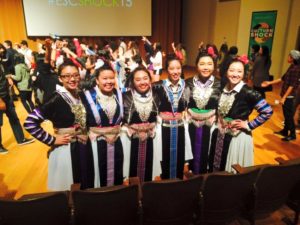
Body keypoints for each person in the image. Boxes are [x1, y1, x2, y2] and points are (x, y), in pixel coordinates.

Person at [24, 60, 94, 190]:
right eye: (67, 76)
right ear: (60, 79)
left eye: (75, 75)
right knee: (69, 184)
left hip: (82, 145)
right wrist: (52, 139)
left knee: (84, 181)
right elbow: (30, 122)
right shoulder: (56, 98)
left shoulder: (78, 95)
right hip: (66, 148)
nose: (72, 79)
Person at [210, 58, 273, 172]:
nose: (235, 74)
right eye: (232, 70)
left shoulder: (249, 92)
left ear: (244, 73)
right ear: (226, 71)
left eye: (239, 71)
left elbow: (267, 111)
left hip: (236, 138)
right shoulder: (223, 87)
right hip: (221, 134)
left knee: (231, 170)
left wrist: (249, 125)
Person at [82, 64, 124, 187]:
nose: (109, 81)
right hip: (96, 144)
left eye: (111, 78)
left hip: (116, 142)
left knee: (117, 173)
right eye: (105, 78)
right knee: (97, 176)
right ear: (97, 80)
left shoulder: (119, 94)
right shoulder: (86, 96)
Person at [153, 54, 193, 179]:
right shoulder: (158, 86)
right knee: (164, 157)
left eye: (178, 68)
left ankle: (178, 184)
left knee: (180, 157)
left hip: (181, 127)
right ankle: (165, 185)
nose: (175, 72)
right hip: (163, 128)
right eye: (172, 68)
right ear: (166, 69)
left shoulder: (187, 86)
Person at [122, 66, 162, 182]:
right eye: (138, 80)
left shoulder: (156, 96)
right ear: (132, 82)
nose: (142, 82)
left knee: (149, 174)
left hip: (151, 139)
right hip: (131, 141)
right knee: (132, 172)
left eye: (145, 78)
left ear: (150, 80)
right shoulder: (125, 97)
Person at [185, 50, 221, 174]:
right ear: (196, 65)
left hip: (211, 126)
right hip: (191, 124)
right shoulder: (188, 82)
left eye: (209, 64)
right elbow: (184, 102)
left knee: (208, 153)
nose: (206, 67)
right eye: (202, 64)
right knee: (192, 152)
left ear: (214, 66)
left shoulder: (220, 84)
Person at [0, 43, 34, 154]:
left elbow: (4, 75)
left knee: (14, 118)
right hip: (1, 97)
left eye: (2, 50)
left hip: (6, 95)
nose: (2, 52)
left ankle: (21, 139)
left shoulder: (1, 63)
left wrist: (8, 78)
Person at [262, 50, 300, 141]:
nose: (287, 57)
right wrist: (269, 82)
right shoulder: (292, 67)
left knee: (288, 116)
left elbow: (292, 85)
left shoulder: (296, 69)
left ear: (293, 58)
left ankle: (292, 134)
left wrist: (284, 97)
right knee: (286, 115)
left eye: (289, 56)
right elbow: (282, 78)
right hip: (286, 95)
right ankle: (285, 131)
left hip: (289, 96)